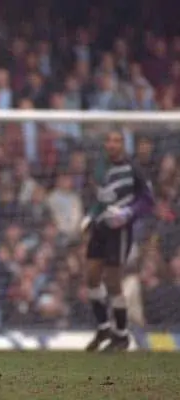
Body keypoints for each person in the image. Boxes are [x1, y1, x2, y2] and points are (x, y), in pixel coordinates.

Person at [82, 130, 154, 352]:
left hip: (119, 230)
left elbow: (147, 201)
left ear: (123, 144)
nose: (112, 144)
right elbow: (101, 199)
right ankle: (104, 326)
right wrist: (90, 216)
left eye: (117, 140)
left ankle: (121, 335)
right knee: (92, 277)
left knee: (113, 281)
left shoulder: (134, 169)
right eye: (109, 140)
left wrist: (128, 213)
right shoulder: (100, 168)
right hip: (100, 227)